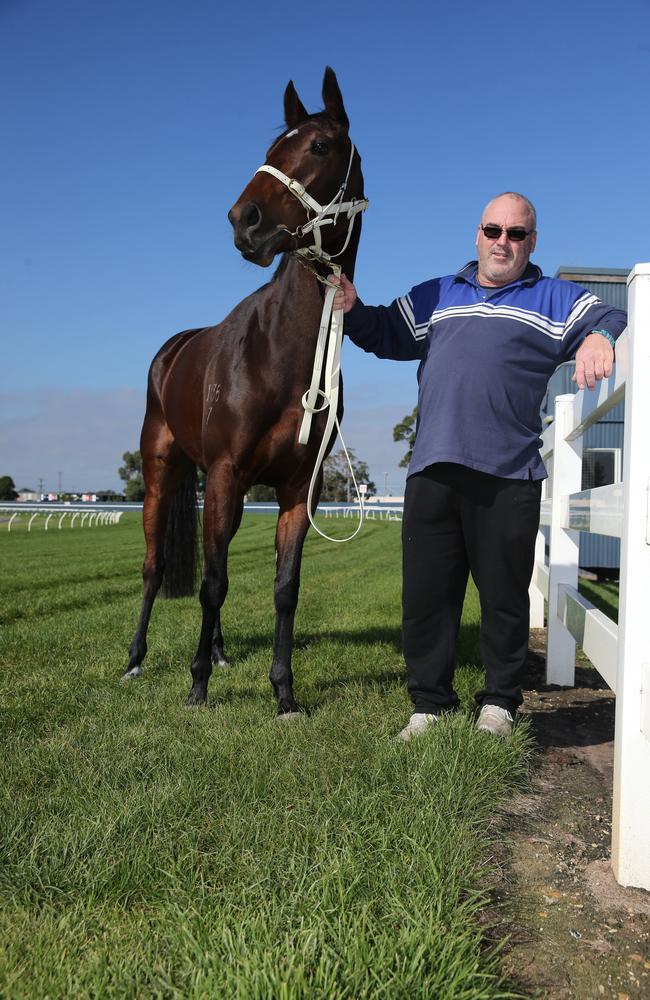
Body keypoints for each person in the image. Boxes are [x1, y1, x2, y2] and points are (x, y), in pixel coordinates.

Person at [332, 192, 627, 740]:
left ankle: (499, 704)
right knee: (426, 597)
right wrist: (352, 306)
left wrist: (599, 337)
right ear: (477, 234)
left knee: (504, 597)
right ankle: (429, 705)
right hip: (433, 466)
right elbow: (382, 332)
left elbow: (611, 312)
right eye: (494, 230)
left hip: (508, 474)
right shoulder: (438, 294)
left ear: (531, 242)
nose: (503, 242)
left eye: (517, 234)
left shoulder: (553, 297)